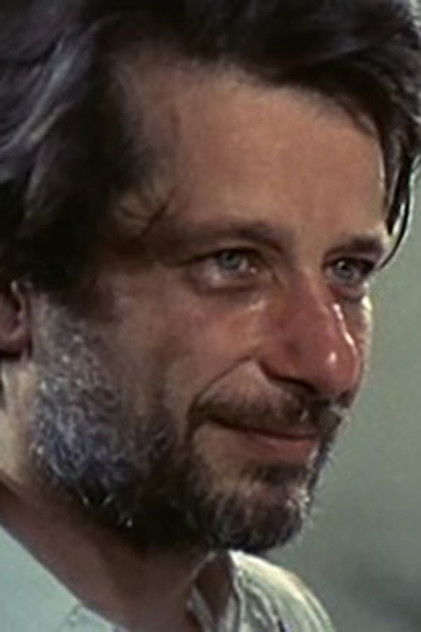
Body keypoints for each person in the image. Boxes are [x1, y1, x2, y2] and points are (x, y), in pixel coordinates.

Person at [0, 1, 419, 630]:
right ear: (13, 296)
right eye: (233, 263)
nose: (331, 364)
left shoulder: (280, 617)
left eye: (348, 270)